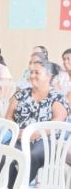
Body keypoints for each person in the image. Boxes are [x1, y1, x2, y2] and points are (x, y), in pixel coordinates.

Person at [6, 58, 70, 189]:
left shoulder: (57, 97)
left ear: (48, 76)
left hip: (46, 140)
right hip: (19, 137)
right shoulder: (20, 94)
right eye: (31, 72)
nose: (32, 76)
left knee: (32, 155)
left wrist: (35, 133)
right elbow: (8, 116)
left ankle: (18, 186)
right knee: (7, 153)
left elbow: (58, 120)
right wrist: (17, 131)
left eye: (37, 72)